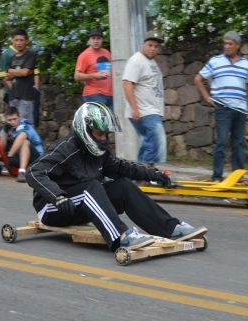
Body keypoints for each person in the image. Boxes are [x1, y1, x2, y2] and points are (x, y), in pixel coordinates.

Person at [25, 102, 207, 252]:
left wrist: (154, 174)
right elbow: (34, 171)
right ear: (84, 130)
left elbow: (121, 167)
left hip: (81, 204)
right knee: (92, 187)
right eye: (99, 134)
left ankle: (171, 228)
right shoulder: (64, 149)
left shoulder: (100, 151)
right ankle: (121, 237)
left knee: (124, 186)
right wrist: (58, 196)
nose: (103, 139)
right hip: (53, 208)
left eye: (106, 135)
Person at [194, 30, 248, 183]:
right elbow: (198, 79)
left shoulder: (246, 64)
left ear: (238, 45)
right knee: (222, 142)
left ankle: (239, 176)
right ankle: (217, 176)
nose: (227, 46)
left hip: (240, 109)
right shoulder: (215, 61)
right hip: (223, 108)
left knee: (238, 143)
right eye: (225, 43)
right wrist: (206, 96)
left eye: (230, 44)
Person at [123, 30, 166, 168]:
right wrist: (134, 109)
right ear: (143, 44)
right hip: (143, 110)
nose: (153, 48)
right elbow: (127, 83)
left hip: (151, 110)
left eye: (156, 46)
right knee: (156, 139)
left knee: (149, 141)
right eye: (150, 45)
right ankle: (146, 172)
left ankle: (142, 173)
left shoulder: (150, 62)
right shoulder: (136, 61)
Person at [0, 106, 43, 182]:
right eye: (9, 120)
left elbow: (22, 136)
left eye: (14, 119)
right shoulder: (7, 128)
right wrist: (5, 133)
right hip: (17, 156)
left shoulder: (25, 125)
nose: (12, 122)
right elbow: (1, 149)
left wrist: (10, 156)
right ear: (6, 119)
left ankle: (22, 172)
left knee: (24, 141)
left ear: (19, 117)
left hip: (35, 159)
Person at [0, 31, 41, 126]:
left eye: (21, 40)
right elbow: (7, 76)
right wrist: (21, 72)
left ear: (26, 41)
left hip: (26, 96)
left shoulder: (31, 55)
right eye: (16, 40)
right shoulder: (11, 57)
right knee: (13, 125)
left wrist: (16, 72)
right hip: (13, 96)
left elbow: (25, 72)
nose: (19, 43)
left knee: (25, 125)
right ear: (12, 40)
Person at [74, 28, 114, 111]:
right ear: (89, 40)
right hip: (93, 94)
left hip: (110, 94)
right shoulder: (84, 55)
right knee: (100, 123)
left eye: (98, 38)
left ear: (102, 40)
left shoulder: (106, 52)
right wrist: (94, 75)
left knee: (112, 123)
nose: (96, 41)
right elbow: (77, 76)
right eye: (93, 38)